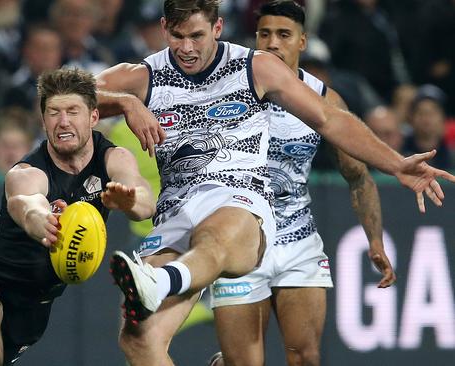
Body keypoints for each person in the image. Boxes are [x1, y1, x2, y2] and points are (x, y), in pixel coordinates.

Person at [94, 1, 455, 365]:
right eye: (177, 36)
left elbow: (332, 123)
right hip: (175, 212)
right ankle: (162, 281)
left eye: (197, 36)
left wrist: (396, 165)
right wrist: (124, 101)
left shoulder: (256, 68)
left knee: (298, 348)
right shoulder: (143, 75)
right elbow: (64, 96)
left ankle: (160, 282)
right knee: (137, 338)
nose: (186, 48)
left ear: (218, 28)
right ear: (163, 29)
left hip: (243, 207)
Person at [206, 2, 393, 365]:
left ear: (302, 42)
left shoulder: (325, 101)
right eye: (265, 34)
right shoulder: (225, 91)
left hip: (298, 242)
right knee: (245, 361)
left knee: (306, 358)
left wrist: (374, 239)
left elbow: (357, 176)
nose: (273, 43)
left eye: (283, 35)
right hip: (240, 243)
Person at [0, 68, 156, 366]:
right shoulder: (28, 171)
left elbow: (145, 202)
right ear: (43, 120)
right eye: (53, 113)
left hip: (33, 304)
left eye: (73, 111)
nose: (63, 122)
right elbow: (26, 203)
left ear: (93, 117)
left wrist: (128, 201)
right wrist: (41, 221)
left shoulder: (114, 158)